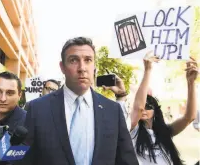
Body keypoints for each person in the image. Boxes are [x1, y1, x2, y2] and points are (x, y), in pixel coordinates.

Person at [19, 37, 139, 165]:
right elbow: (24, 158)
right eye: (73, 60)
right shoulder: (37, 108)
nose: (82, 68)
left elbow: (127, 160)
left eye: (88, 60)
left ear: (94, 66)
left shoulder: (113, 110)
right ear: (62, 67)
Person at [105, 53, 198, 165]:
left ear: (156, 112)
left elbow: (190, 117)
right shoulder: (132, 131)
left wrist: (191, 82)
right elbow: (138, 108)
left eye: (148, 106)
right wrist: (148, 70)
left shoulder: (164, 132)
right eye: (143, 105)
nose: (144, 109)